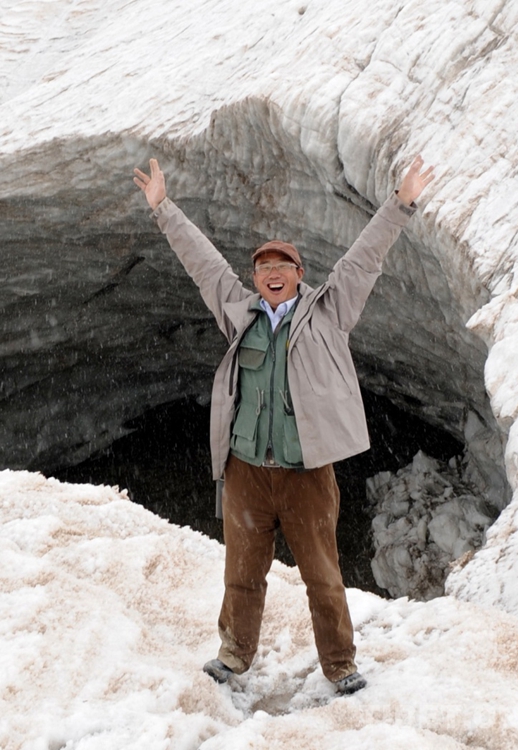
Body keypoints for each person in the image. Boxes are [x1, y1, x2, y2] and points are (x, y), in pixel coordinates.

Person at [134, 154, 434, 694]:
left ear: (300, 275)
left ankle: (340, 664)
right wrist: (164, 209)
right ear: (255, 279)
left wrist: (401, 204)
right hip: (247, 471)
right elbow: (203, 264)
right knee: (241, 575)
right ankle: (233, 655)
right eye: (263, 268)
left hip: (305, 474)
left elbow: (364, 257)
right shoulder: (239, 313)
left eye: (283, 266)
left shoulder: (330, 314)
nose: (272, 274)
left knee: (323, 575)